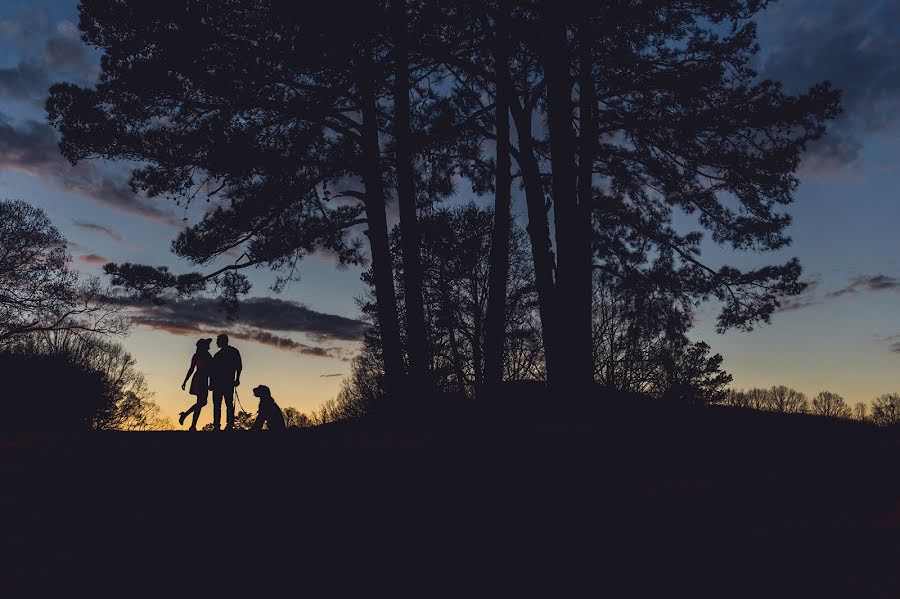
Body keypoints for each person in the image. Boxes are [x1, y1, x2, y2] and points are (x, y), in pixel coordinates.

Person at [179, 338, 213, 431]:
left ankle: (187, 418)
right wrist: (185, 381)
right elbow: (191, 369)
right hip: (199, 379)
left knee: (201, 402)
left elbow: (210, 371)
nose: (208, 346)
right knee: (201, 402)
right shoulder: (200, 356)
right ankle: (192, 425)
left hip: (203, 379)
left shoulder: (207, 355)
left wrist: (210, 382)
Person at [210, 334, 242, 431]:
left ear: (223, 341)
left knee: (228, 404)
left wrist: (237, 379)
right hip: (218, 383)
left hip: (228, 382)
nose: (216, 343)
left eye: (218, 341)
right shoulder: (217, 355)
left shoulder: (233, 352)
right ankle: (217, 425)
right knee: (217, 405)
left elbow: (239, 366)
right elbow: (213, 371)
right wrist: (211, 383)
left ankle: (229, 424)